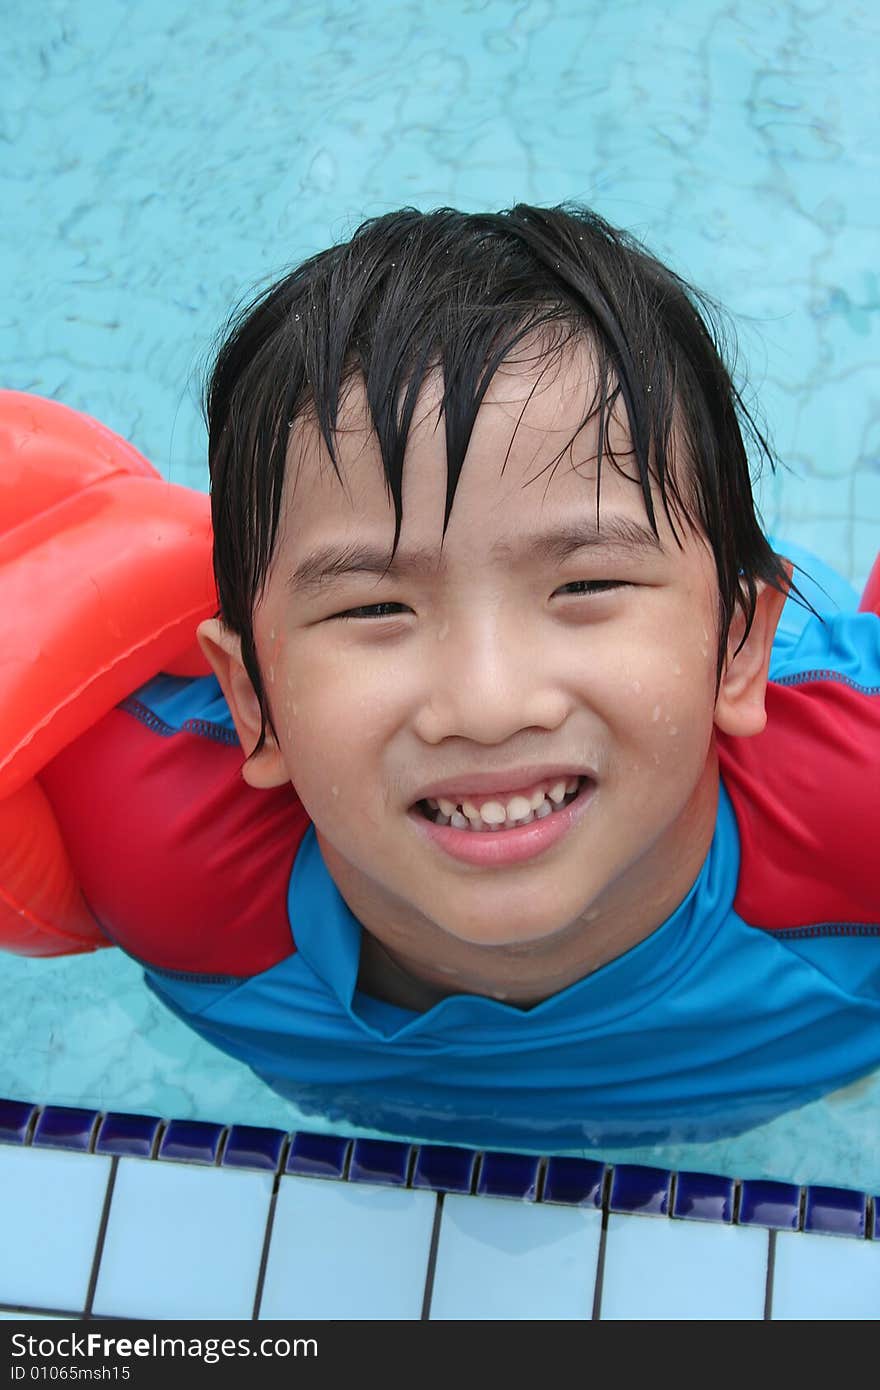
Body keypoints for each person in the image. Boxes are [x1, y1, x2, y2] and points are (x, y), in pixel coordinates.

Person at [17, 204, 880, 1149]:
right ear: (251, 699)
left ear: (739, 645)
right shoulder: (156, 864)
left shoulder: (855, 829)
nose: (487, 704)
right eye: (374, 609)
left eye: (585, 583)